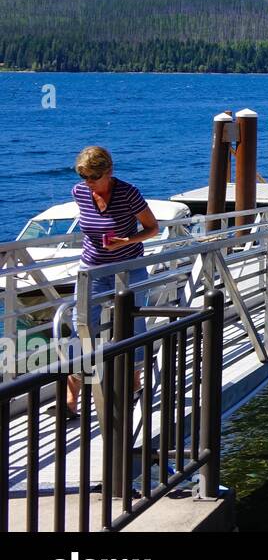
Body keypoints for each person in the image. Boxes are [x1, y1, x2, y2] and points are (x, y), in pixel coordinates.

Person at [65, 146, 158, 416]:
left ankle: (134, 384)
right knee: (81, 327)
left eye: (93, 177)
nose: (88, 182)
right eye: (84, 176)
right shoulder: (79, 192)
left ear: (109, 172)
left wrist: (126, 241)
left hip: (128, 269)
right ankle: (71, 400)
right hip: (91, 269)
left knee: (132, 326)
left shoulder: (128, 193)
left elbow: (152, 228)